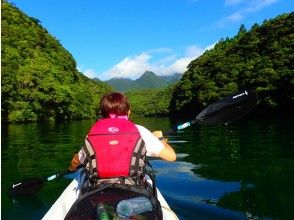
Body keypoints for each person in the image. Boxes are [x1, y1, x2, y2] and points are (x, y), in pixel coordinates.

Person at [69, 92, 176, 186]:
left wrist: (72, 168)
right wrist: (159, 138)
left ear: (102, 113)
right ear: (128, 112)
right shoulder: (140, 131)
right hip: (133, 189)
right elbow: (171, 157)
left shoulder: (93, 134)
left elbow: (76, 160)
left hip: (99, 190)